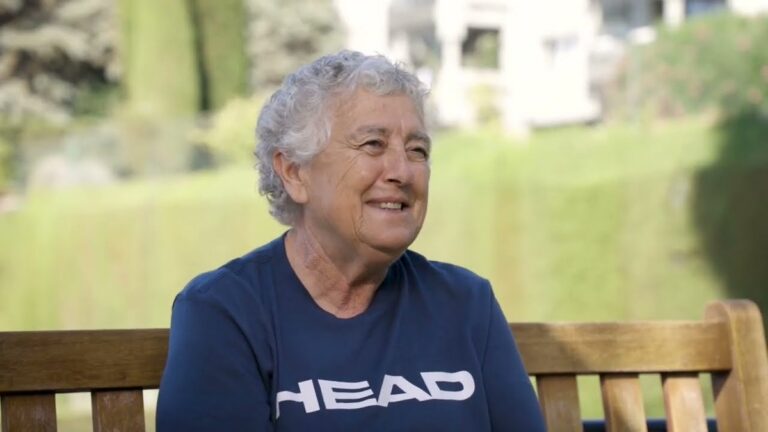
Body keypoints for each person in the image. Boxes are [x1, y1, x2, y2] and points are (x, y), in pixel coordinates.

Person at [156, 50, 545, 431]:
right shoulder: (225, 312)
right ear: (294, 173)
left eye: (417, 150)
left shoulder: (466, 304)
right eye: (373, 145)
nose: (402, 171)